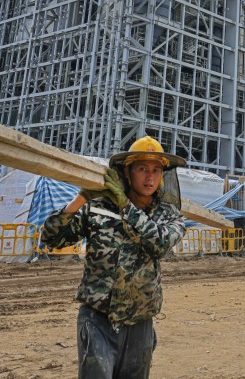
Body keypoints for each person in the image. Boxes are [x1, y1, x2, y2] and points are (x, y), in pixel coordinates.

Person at [41, 136, 187, 379]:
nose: (150, 177)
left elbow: (159, 244)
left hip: (139, 322)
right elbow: (51, 238)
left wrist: (125, 205)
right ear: (127, 172)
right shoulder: (98, 208)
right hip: (98, 318)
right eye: (142, 169)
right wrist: (81, 199)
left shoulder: (169, 216)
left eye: (156, 170)